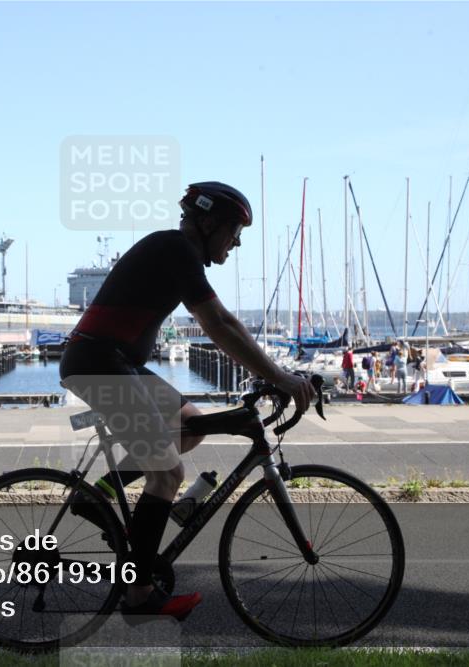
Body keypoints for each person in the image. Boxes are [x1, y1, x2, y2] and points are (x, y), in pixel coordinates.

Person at [59, 182, 313, 623]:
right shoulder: (176, 249)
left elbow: (222, 323)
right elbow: (218, 322)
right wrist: (278, 376)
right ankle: (138, 596)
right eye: (234, 231)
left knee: (191, 427)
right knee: (167, 473)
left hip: (118, 361)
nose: (236, 242)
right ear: (208, 221)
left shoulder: (180, 252)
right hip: (99, 361)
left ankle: (100, 493)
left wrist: (271, 374)